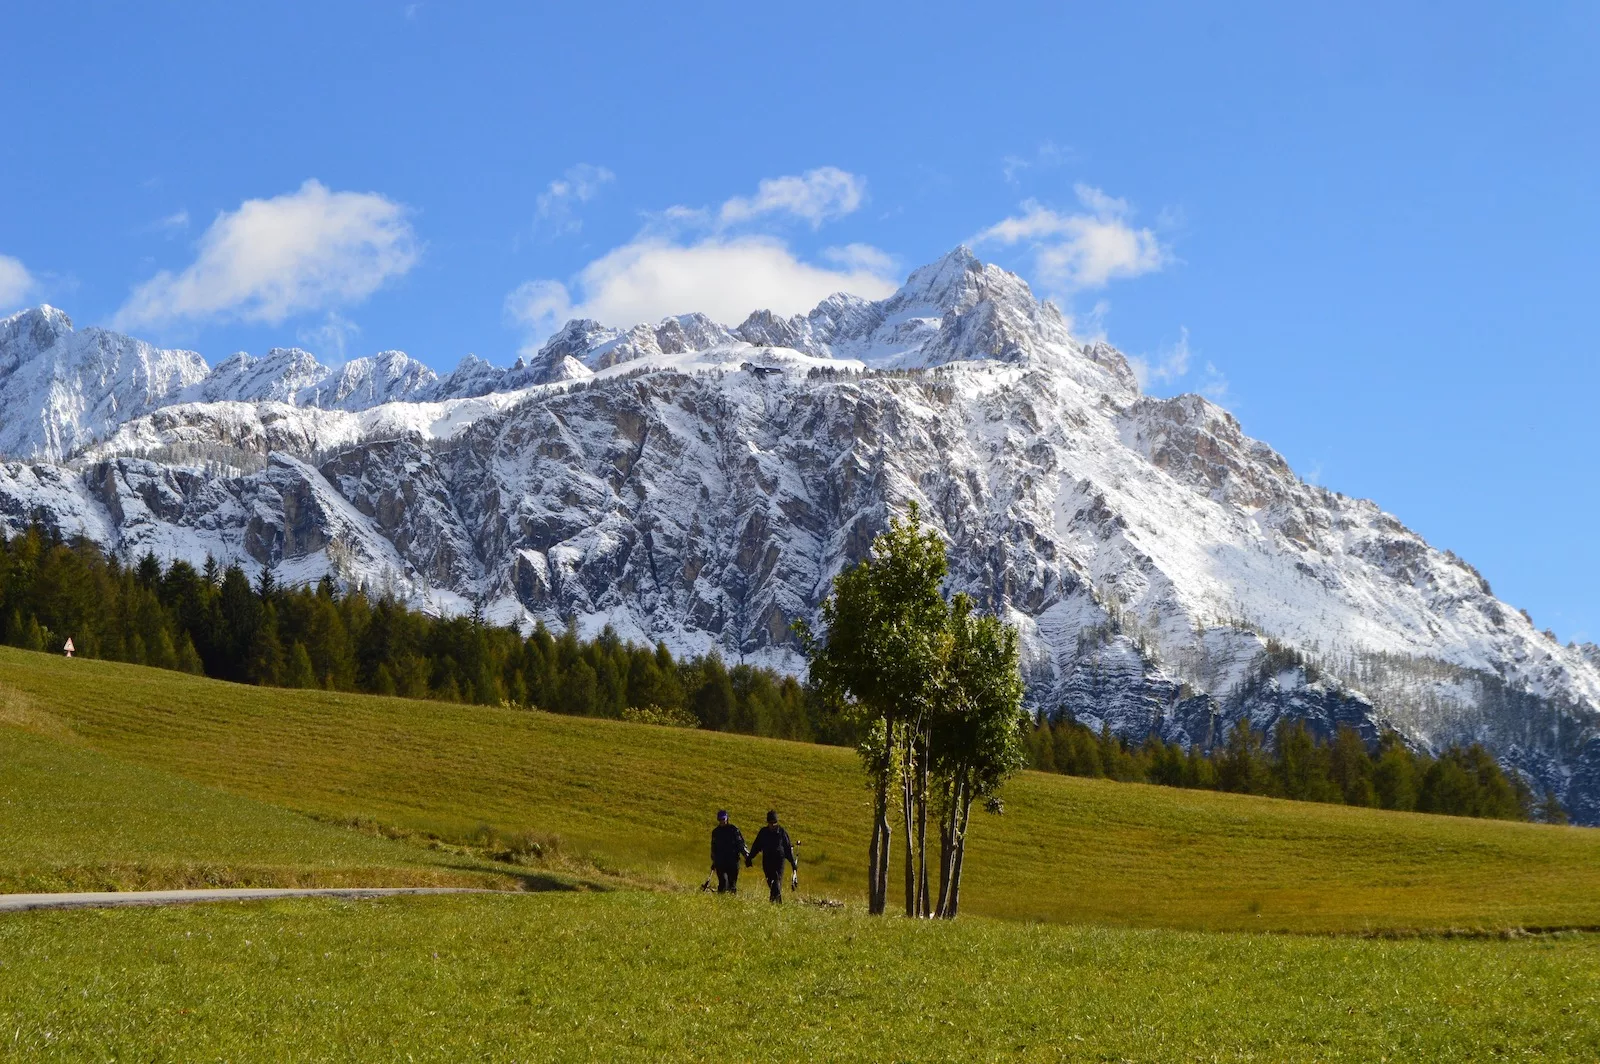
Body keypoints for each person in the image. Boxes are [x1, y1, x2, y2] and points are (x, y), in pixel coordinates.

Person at [746, 809, 798, 903]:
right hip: (767, 861)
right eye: (771, 823)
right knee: (771, 882)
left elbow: (787, 849)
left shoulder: (782, 832)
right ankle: (773, 903)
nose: (772, 825)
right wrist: (750, 858)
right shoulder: (763, 832)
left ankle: (778, 904)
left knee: (777, 882)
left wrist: (793, 863)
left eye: (774, 823)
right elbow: (756, 846)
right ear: (768, 822)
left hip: (779, 861)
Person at [709, 809, 748, 894]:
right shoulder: (715, 832)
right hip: (720, 862)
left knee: (732, 885)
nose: (722, 821)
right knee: (722, 882)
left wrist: (746, 856)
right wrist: (714, 861)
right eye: (720, 819)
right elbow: (713, 847)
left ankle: (732, 901)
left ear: (727, 819)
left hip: (733, 862)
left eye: (723, 819)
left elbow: (741, 843)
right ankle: (720, 901)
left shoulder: (734, 830)